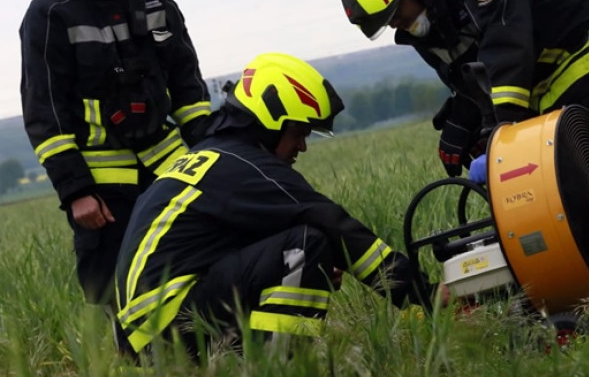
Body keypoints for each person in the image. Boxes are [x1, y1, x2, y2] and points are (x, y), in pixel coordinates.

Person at [114, 52, 433, 357]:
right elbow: (332, 223)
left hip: (146, 331)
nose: (303, 146)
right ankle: (278, 376)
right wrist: (422, 295)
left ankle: (236, 370)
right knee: (308, 244)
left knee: (301, 252)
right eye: (298, 132)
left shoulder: (216, 156)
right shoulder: (245, 164)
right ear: (270, 122)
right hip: (169, 325)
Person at [19, 0, 211, 323]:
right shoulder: (51, 13)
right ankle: (144, 376)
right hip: (102, 188)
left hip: (170, 167)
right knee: (119, 290)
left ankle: (206, 360)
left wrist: (206, 151)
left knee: (194, 266)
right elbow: (44, 111)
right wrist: (76, 191)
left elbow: (186, 81)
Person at [338, 0, 589, 176]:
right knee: (542, 170)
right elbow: (471, 72)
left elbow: (507, 47)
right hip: (542, 67)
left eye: (395, 14)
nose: (395, 25)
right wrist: (467, 117)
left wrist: (502, 140)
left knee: (572, 166)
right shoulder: (423, 23)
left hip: (588, 41)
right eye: (387, 23)